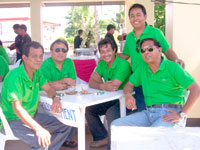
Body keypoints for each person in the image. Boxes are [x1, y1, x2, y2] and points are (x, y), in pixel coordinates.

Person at [0, 41, 76, 150]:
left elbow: (49, 89)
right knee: (43, 141)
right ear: (25, 58)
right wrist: (38, 129)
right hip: (11, 120)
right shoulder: (15, 76)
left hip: (32, 115)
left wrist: (56, 98)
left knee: (66, 125)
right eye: (34, 56)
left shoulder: (37, 73)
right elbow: (17, 109)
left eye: (41, 56)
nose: (39, 59)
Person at [112, 38, 200, 128]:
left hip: (170, 112)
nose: (146, 52)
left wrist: (182, 114)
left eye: (150, 49)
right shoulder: (142, 69)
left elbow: (196, 89)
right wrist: (128, 95)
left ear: (159, 50)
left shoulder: (173, 67)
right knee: (116, 125)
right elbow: (129, 85)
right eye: (143, 50)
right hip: (148, 113)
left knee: (152, 136)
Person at [117, 3, 185, 112]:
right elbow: (126, 55)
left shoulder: (155, 32)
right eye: (132, 16)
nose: (135, 18)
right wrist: (112, 55)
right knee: (140, 112)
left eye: (138, 15)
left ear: (145, 16)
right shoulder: (129, 37)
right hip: (138, 80)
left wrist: (176, 60)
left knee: (153, 111)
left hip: (155, 79)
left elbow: (167, 50)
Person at [86, 38, 131, 148]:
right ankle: (102, 137)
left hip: (126, 99)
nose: (105, 54)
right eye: (102, 52)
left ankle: (113, 146)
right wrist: (102, 86)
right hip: (110, 98)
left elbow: (113, 86)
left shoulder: (123, 64)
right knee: (89, 109)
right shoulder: (102, 64)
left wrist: (103, 85)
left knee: (111, 113)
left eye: (108, 51)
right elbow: (91, 81)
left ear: (115, 50)